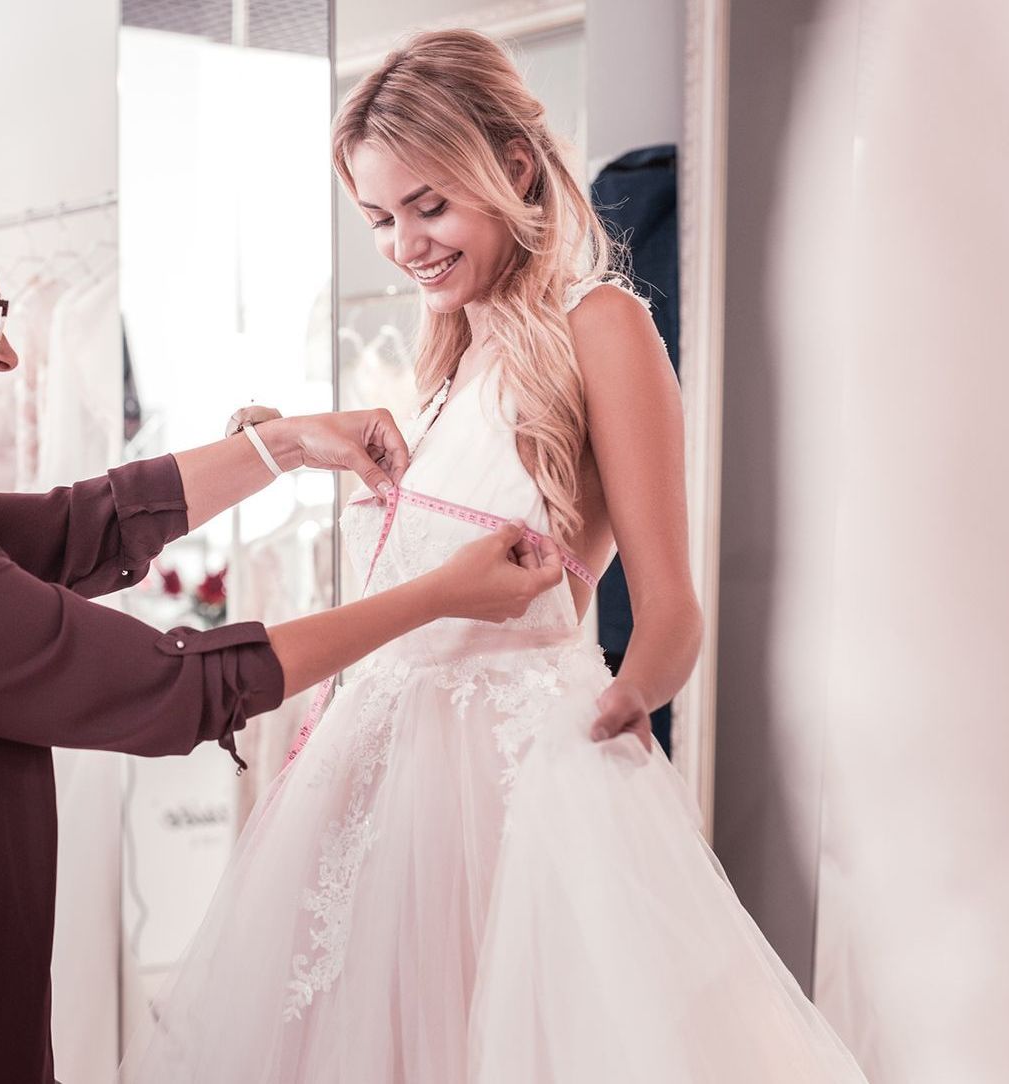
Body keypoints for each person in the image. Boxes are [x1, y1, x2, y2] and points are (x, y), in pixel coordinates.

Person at [0, 164, 566, 1084]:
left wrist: (287, 444)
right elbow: (180, 689)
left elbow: (77, 526)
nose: (5, 356)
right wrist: (433, 597)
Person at [124, 30, 869, 1082]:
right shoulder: (452, 349)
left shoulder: (601, 322)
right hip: (376, 779)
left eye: (430, 206)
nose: (404, 244)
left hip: (517, 778)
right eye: (380, 219)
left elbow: (671, 610)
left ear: (514, 167)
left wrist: (620, 708)